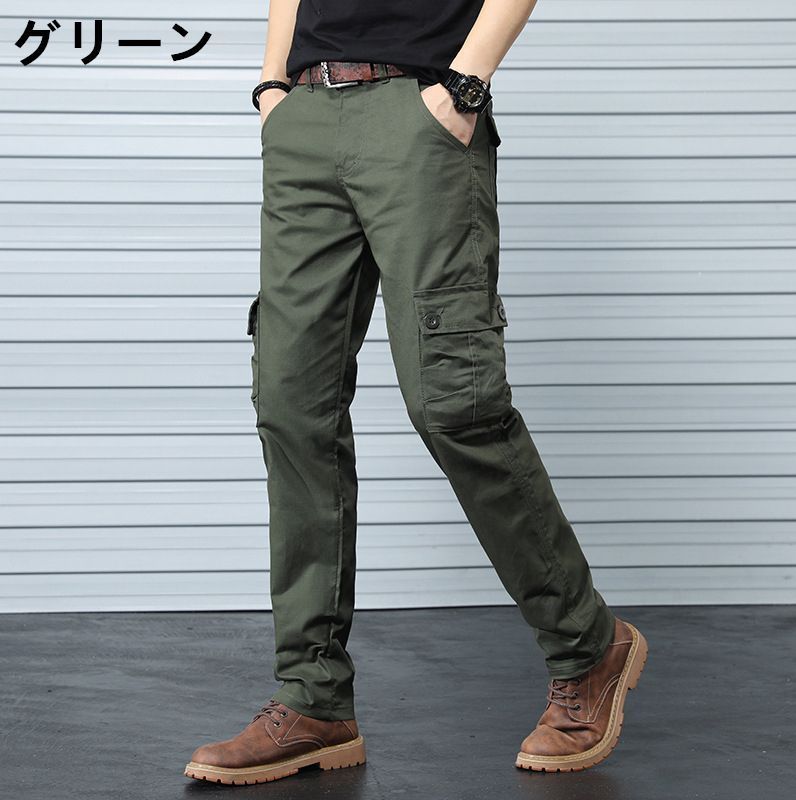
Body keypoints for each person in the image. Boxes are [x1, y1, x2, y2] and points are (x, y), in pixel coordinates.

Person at [184, 0, 648, 785]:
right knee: (290, 405)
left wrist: (464, 87)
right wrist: (271, 86)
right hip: (306, 116)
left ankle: (587, 646)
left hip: (421, 110)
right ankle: (313, 698)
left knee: (453, 400)